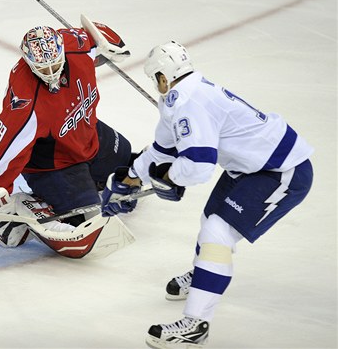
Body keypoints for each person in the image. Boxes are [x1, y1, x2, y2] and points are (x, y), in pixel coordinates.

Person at [101, 41, 314, 348]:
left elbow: (199, 166)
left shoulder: (190, 103)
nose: (155, 83)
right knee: (210, 220)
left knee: (218, 233)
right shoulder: (179, 96)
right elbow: (162, 148)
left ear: (163, 76)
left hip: (282, 170)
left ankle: (196, 323)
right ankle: (205, 274)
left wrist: (168, 177)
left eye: (155, 77)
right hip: (249, 166)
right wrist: (131, 178)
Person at [0, 17, 136, 250]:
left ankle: (89, 180)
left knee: (128, 162)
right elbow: (5, 149)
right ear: (29, 63)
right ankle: (22, 208)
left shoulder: (76, 47)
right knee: (83, 221)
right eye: (42, 69)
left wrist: (109, 44)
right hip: (52, 162)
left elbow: (108, 42)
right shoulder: (27, 101)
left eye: (55, 65)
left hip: (87, 137)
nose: (51, 74)